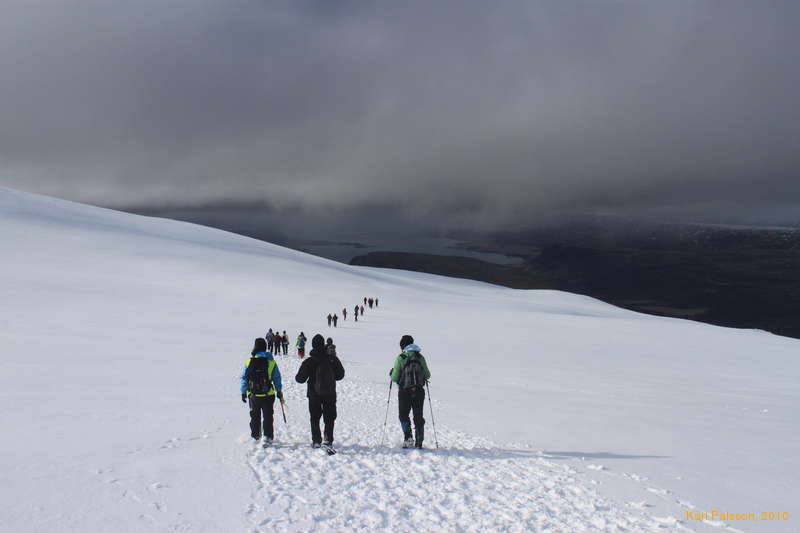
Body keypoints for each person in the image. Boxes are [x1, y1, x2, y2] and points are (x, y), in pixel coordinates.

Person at [295, 334, 345, 449]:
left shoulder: (309, 361)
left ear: (312, 345)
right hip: (330, 393)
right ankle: (328, 440)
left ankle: (316, 440)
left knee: (314, 417)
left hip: (313, 394)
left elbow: (300, 379)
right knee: (329, 417)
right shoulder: (332, 359)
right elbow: (340, 375)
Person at [390, 335, 431, 448]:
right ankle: (419, 441)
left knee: (403, 415)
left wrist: (392, 373)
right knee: (418, 415)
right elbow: (428, 375)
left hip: (404, 391)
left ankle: (408, 438)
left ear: (403, 345)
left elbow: (394, 378)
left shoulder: (401, 357)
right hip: (418, 391)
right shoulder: (420, 357)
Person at [240, 338, 284, 444]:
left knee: (254, 415)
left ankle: (255, 436)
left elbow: (244, 378)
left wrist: (243, 392)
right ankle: (268, 437)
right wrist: (279, 391)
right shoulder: (271, 362)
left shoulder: (249, 361)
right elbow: (276, 378)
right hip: (268, 394)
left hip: (254, 394)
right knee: (268, 416)